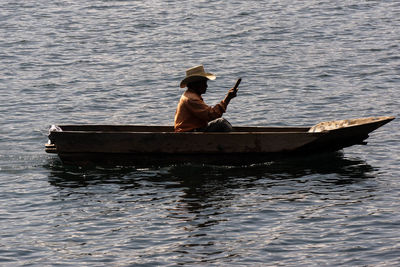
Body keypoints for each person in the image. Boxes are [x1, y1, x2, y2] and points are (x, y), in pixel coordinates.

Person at [174, 65, 238, 132]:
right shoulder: (192, 99)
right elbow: (212, 115)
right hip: (189, 133)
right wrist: (227, 99)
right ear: (195, 84)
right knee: (221, 123)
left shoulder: (190, 95)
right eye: (203, 83)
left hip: (193, 130)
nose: (206, 86)